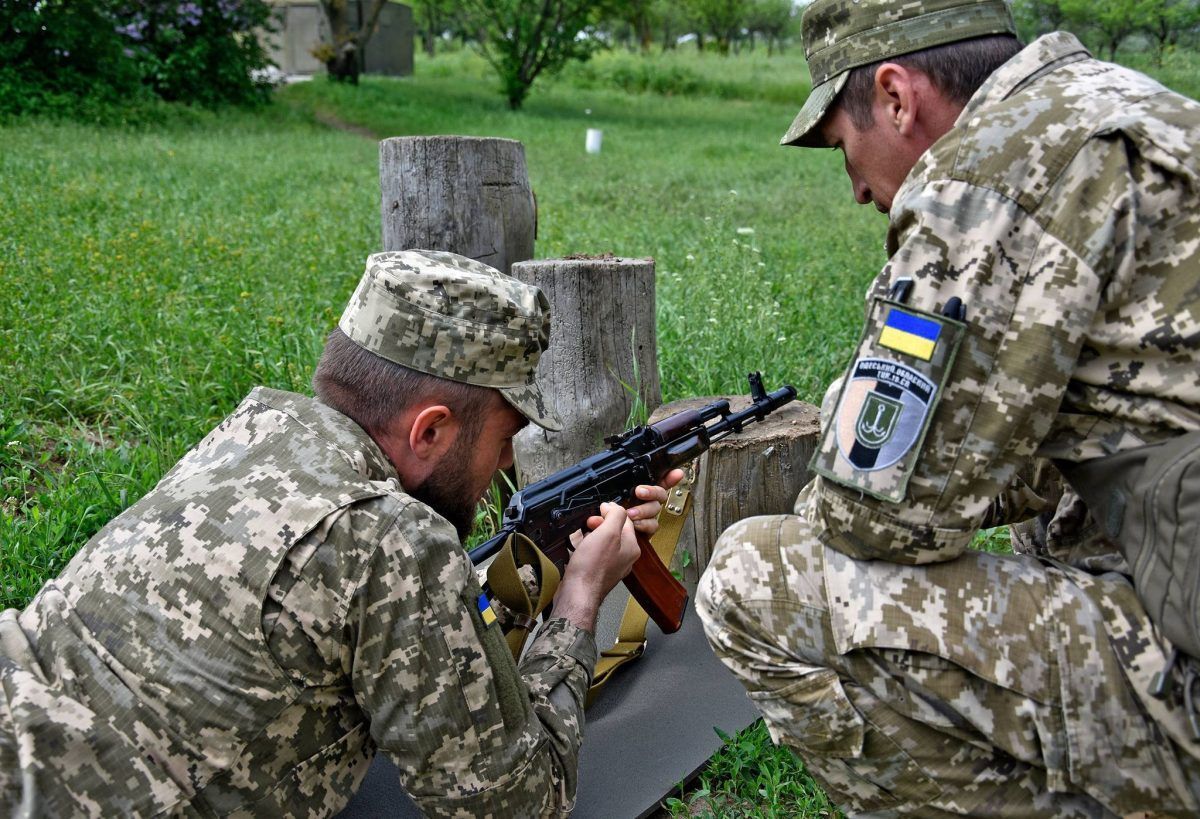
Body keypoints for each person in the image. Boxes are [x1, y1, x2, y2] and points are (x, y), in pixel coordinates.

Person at [697, 0, 1200, 815]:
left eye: (843, 148)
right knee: (1053, 507)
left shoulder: (992, 172)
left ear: (896, 97)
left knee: (753, 581)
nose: (859, 190)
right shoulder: (1140, 113)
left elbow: (876, 518)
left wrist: (828, 473)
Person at [0, 249, 678, 817]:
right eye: (505, 437)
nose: (506, 462)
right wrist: (579, 601)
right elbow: (516, 804)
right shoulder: (392, 538)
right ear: (430, 431)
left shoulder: (253, 430)